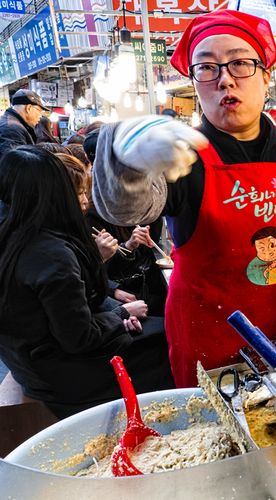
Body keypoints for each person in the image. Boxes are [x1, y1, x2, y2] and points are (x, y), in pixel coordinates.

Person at [92, 11, 276, 387]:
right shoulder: (182, 156)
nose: (225, 79)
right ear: (195, 83)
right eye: (207, 68)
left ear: (265, 77)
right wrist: (122, 162)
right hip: (215, 348)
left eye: (240, 63)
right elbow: (125, 209)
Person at [0, 147, 174, 418]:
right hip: (61, 374)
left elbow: (70, 309)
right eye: (78, 192)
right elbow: (80, 338)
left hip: (30, 362)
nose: (85, 199)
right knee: (171, 338)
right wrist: (120, 314)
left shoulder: (14, 236)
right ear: (55, 195)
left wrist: (114, 314)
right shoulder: (51, 255)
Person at [0, 89, 50, 158]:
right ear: (28, 108)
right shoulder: (12, 128)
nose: (40, 116)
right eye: (40, 111)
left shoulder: (9, 122)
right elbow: (15, 163)